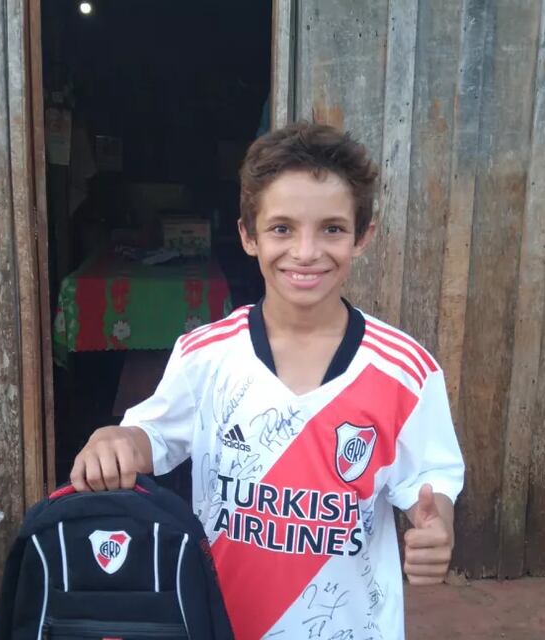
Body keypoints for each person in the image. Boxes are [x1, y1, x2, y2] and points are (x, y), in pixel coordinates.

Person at [70, 121, 465, 639]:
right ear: (248, 236)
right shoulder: (207, 355)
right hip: (223, 624)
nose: (305, 252)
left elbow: (432, 488)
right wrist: (115, 438)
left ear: (363, 236)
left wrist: (438, 531)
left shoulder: (405, 372)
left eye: (332, 229)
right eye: (282, 228)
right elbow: (153, 436)